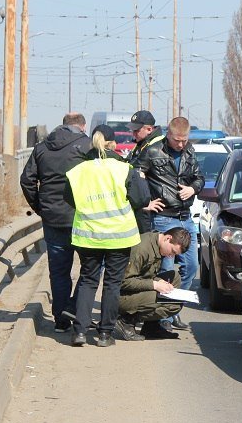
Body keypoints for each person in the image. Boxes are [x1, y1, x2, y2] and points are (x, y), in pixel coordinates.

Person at [63, 126, 149, 347]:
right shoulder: (123, 168)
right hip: (119, 236)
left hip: (89, 235)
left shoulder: (78, 170)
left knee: (88, 280)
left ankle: (80, 332)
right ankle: (104, 335)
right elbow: (142, 199)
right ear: (113, 144)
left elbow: (69, 198)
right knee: (112, 283)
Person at [20, 112, 92, 333]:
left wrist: (40, 208)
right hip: (83, 217)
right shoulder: (88, 146)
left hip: (53, 219)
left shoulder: (41, 148)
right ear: (82, 126)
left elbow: (27, 180)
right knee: (91, 269)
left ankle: (61, 320)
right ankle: (73, 307)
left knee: (59, 271)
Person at [131, 116, 204, 331]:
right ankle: (161, 317)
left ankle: (173, 310)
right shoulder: (153, 151)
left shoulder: (190, 151)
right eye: (176, 140)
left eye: (184, 140)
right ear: (168, 135)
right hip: (164, 217)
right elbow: (135, 175)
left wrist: (194, 188)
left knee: (192, 266)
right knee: (166, 267)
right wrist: (145, 202)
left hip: (185, 216)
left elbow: (198, 177)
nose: (180, 144)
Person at [114, 227, 192, 341]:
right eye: (172, 251)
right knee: (171, 304)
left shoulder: (158, 245)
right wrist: (155, 285)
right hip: (122, 296)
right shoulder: (142, 248)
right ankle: (125, 320)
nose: (171, 256)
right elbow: (123, 282)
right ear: (168, 238)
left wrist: (158, 280)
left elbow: (146, 274)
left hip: (137, 289)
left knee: (174, 278)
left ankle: (151, 327)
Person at [125, 110, 165, 233]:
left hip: (152, 210)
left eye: (136, 130)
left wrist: (147, 203)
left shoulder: (156, 147)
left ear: (149, 129)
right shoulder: (142, 144)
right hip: (144, 206)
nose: (133, 133)